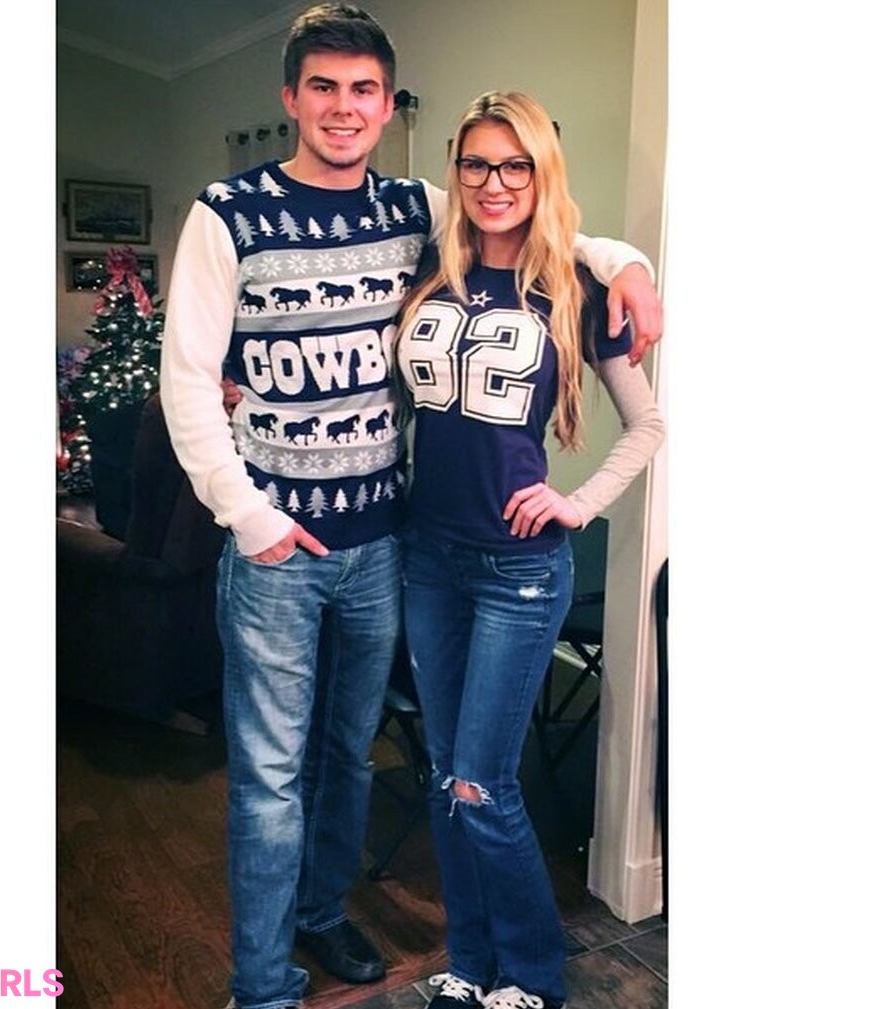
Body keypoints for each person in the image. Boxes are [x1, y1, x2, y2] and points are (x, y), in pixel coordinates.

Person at [160, 7, 663, 1009]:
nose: (343, 108)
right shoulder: (234, 212)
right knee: (279, 774)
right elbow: (186, 380)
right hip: (296, 549)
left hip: (394, 545)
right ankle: (265, 986)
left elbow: (540, 227)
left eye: (363, 90)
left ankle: (343, 918)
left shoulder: (414, 212)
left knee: (364, 755)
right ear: (291, 97)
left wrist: (631, 266)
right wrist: (249, 518)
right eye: (323, 87)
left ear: (388, 106)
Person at [394, 91, 666, 1009]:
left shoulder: (578, 287)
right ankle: (471, 964)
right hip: (429, 559)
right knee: (445, 776)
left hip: (517, 570)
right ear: (456, 171)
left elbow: (647, 424)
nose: (494, 182)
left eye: (516, 165)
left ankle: (535, 975)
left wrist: (575, 503)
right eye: (476, 163)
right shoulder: (429, 267)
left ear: (542, 172)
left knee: (483, 781)